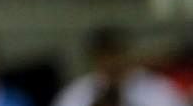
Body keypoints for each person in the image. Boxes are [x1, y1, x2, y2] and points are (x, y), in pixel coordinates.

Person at [51, 26, 186, 106]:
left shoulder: (159, 92)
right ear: (93, 59)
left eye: (115, 55)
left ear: (127, 54)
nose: (111, 63)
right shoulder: (77, 94)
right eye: (104, 57)